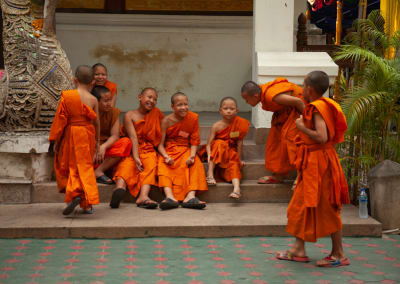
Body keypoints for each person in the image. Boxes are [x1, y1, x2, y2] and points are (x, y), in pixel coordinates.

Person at [277, 71, 350, 268]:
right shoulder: (326, 104)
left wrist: (300, 126)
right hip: (312, 163)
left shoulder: (317, 108)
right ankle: (298, 249)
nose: (301, 90)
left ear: (309, 88)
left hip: (321, 164)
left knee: (328, 207)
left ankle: (339, 253)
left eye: (302, 85)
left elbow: (321, 137)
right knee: (299, 206)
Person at [49, 65, 100, 215]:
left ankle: (72, 198)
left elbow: (60, 120)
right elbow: (97, 123)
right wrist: (97, 142)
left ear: (75, 80)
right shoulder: (93, 99)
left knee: (70, 166)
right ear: (92, 82)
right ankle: (87, 204)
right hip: (87, 134)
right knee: (85, 167)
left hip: (70, 133)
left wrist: (56, 140)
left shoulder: (68, 96)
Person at [241, 78, 305, 184]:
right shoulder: (263, 93)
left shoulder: (271, 95)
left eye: (246, 99)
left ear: (255, 96)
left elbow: (298, 101)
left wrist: (308, 119)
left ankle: (301, 175)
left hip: (298, 110)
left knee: (290, 140)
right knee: (274, 142)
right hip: (284, 114)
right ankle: (279, 176)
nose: (246, 102)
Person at [110, 88, 163, 209]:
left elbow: (164, 128)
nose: (152, 101)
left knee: (150, 166)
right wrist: (136, 156)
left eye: (155, 99)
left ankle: (143, 196)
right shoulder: (130, 115)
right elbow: (133, 137)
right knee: (126, 165)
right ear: (140, 97)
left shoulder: (156, 114)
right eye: (149, 97)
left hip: (149, 149)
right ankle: (119, 189)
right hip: (132, 149)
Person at [157, 92, 207, 210]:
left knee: (196, 164)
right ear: (172, 107)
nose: (183, 107)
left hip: (186, 149)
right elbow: (160, 144)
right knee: (163, 166)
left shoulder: (193, 118)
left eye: (186, 104)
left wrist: (192, 156)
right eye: (179, 105)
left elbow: (194, 141)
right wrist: (165, 156)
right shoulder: (166, 121)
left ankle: (190, 196)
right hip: (169, 150)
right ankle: (169, 197)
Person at [201, 97, 250, 199]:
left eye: (232, 109)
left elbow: (239, 142)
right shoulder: (216, 126)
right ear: (220, 110)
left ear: (237, 110)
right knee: (219, 143)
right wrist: (210, 155)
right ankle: (210, 174)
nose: (229, 111)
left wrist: (239, 159)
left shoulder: (239, 123)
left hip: (230, 151)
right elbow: (209, 144)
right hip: (216, 151)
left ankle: (237, 189)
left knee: (234, 163)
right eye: (226, 108)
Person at [91, 85, 132, 185]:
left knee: (126, 142)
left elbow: (115, 135)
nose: (109, 104)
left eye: (110, 100)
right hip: (92, 152)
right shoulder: (88, 112)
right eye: (106, 101)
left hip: (105, 151)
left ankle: (99, 171)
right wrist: (96, 148)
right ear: (96, 101)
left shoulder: (113, 112)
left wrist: (103, 147)